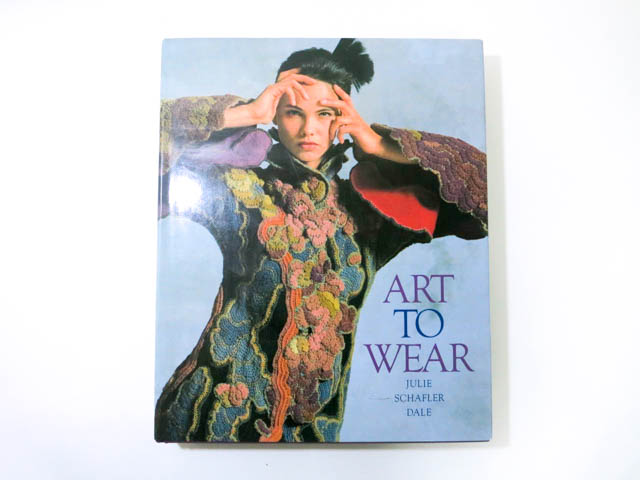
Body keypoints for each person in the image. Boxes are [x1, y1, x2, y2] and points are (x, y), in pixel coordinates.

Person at [155, 39, 488, 442]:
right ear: (276, 117)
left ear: (341, 120)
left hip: (313, 439)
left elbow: (486, 195)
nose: (309, 129)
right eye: (293, 112)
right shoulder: (241, 190)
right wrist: (247, 113)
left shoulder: (369, 216)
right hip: (204, 421)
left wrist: (376, 142)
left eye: (325, 113)